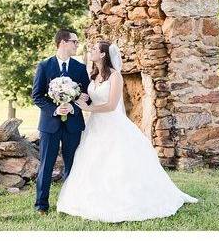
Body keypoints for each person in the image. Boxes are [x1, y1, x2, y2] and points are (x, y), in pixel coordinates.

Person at [55, 40, 198, 222]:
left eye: (94, 49)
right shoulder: (93, 75)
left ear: (103, 54)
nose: (90, 51)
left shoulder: (115, 76)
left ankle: (125, 199)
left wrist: (88, 109)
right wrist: (79, 97)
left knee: (117, 161)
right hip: (95, 126)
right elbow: (93, 99)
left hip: (112, 124)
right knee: (92, 160)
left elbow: (111, 105)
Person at [31, 28, 92, 214]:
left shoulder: (80, 68)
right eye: (74, 41)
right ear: (63, 42)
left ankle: (70, 204)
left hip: (73, 124)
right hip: (50, 125)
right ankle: (42, 205)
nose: (77, 45)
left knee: (72, 165)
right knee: (46, 165)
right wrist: (55, 109)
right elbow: (37, 96)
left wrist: (74, 105)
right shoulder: (44, 66)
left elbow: (87, 95)